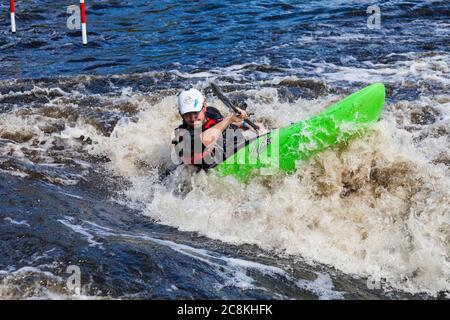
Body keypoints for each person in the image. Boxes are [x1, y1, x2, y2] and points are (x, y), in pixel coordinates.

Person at [172, 88, 258, 171]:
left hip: (232, 150)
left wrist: (244, 124)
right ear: (181, 114)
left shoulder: (212, 112)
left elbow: (224, 124)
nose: (192, 118)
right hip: (209, 168)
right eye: (187, 114)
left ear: (204, 107)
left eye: (195, 113)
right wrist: (229, 119)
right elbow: (203, 142)